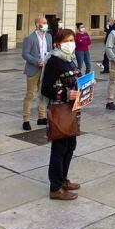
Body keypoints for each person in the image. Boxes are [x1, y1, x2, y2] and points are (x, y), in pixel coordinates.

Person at [41, 28, 83, 201]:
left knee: (70, 146)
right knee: (59, 148)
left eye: (72, 40)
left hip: (73, 109)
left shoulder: (71, 59)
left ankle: (63, 179)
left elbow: (73, 79)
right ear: (58, 43)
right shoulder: (54, 60)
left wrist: (85, 85)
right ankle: (55, 187)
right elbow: (46, 88)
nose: (70, 44)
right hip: (59, 109)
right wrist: (65, 93)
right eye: (66, 41)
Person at [21, 16, 53, 130]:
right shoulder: (29, 38)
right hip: (33, 69)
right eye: (43, 22)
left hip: (45, 69)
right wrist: (36, 61)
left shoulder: (48, 36)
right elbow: (25, 54)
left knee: (42, 94)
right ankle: (26, 119)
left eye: (46, 22)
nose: (45, 24)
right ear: (37, 24)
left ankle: (41, 117)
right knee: (30, 94)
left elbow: (50, 51)